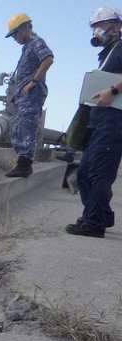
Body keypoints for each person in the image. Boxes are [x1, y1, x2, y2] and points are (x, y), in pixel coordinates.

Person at [66, 6, 122, 238]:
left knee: (99, 172)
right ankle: (99, 214)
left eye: (103, 25)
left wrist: (113, 89)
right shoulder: (109, 52)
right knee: (84, 173)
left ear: (118, 26)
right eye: (95, 27)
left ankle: (94, 223)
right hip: (99, 121)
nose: (98, 30)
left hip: (113, 122)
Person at [4, 13, 54, 178]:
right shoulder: (27, 47)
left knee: (27, 128)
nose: (14, 39)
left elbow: (48, 59)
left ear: (23, 29)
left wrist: (33, 81)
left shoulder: (36, 42)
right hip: (23, 96)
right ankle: (21, 162)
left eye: (15, 35)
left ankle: (25, 164)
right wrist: (15, 96)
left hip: (32, 94)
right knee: (17, 129)